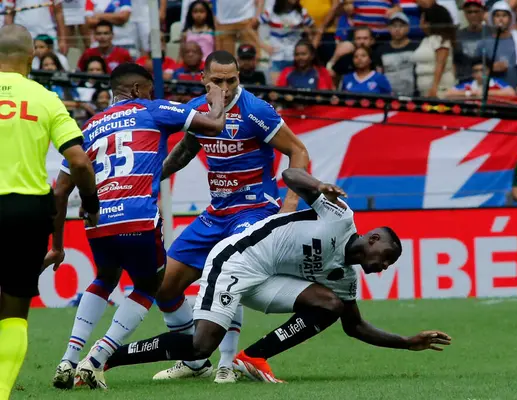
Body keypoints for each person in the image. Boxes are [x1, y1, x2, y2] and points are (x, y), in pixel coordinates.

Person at [101, 168, 452, 384]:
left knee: (332, 305)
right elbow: (290, 177)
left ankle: (251, 357)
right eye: (387, 257)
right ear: (373, 239)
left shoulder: (344, 277)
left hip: (267, 280)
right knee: (201, 345)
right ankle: (108, 357)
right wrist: (318, 184)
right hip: (239, 259)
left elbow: (355, 326)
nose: (384, 266)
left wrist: (407, 342)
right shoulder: (340, 217)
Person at [133, 50, 309, 384]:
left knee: (229, 270)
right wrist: (150, 182)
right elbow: (186, 149)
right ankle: (195, 360)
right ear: (203, 78)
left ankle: (227, 362)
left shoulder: (256, 111)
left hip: (255, 209)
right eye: (217, 80)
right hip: (217, 212)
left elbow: (298, 151)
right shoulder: (200, 110)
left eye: (232, 80)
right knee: (164, 287)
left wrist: (288, 208)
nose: (225, 88)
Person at [48, 62, 226, 390]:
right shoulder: (151, 109)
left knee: (104, 278)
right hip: (138, 218)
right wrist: (215, 95)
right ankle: (96, 358)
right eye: (149, 89)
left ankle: (68, 358)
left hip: (98, 220)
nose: (152, 94)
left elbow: (59, 191)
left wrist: (57, 244)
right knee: (149, 286)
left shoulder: (87, 127)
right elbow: (213, 124)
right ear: (136, 90)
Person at [0, 24, 97, 400]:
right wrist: (90, 202)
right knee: (14, 310)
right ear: (30, 59)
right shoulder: (45, 98)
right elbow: (80, 163)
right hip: (26, 210)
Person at [475, 1, 517, 89]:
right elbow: (476, 70)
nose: (501, 19)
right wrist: (490, 68)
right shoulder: (483, 44)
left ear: (510, 18)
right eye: (497, 15)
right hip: (492, 91)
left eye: (504, 15)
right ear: (492, 19)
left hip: (516, 91)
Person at [260, 0, 315, 83]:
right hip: (276, 58)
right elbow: (250, 28)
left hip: (295, 59)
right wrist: (263, 46)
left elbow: (316, 30)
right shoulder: (270, 11)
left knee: (293, 90)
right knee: (276, 91)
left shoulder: (302, 12)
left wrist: (310, 47)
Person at [413, 4, 456, 97]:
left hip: (439, 89)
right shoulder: (426, 40)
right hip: (424, 90)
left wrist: (434, 87)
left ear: (429, 22)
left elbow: (441, 63)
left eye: (422, 19)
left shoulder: (440, 40)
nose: (420, 22)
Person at [374, 12, 419, 96]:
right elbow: (379, 75)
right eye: (394, 26)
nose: (397, 29)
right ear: (388, 28)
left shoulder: (416, 47)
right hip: (388, 96)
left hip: (413, 96)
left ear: (408, 28)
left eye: (401, 26)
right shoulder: (381, 50)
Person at [455, 0, 491, 82]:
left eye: (476, 11)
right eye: (469, 12)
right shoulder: (458, 35)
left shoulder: (491, 34)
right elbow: (455, 60)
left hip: (487, 80)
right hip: (464, 80)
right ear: (465, 14)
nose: (473, 15)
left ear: (483, 12)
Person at [445, 60, 515, 98]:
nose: (479, 73)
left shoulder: (496, 82)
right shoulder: (468, 85)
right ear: (472, 74)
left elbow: (511, 92)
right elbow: (448, 93)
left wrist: (485, 93)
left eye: (482, 70)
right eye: (476, 71)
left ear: (489, 71)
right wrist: (470, 93)